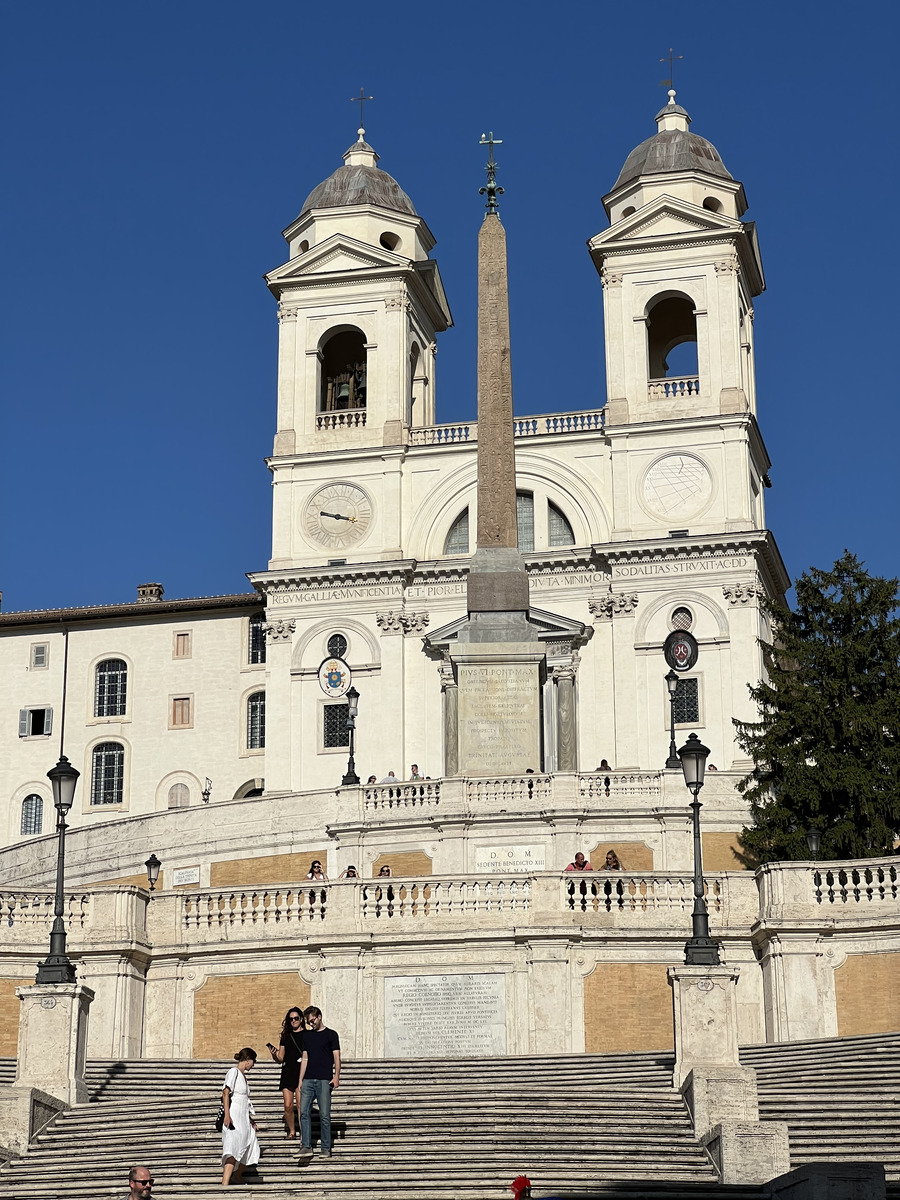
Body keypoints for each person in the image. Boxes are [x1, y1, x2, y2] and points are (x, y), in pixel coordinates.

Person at [298, 1006, 341, 1159]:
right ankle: (306, 1146)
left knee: (324, 1115)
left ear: (319, 1016)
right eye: (309, 1022)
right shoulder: (307, 1036)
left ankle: (325, 1148)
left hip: (324, 1079)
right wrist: (300, 1081)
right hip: (308, 1079)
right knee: (303, 1112)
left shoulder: (331, 1035)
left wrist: (336, 1076)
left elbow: (336, 1057)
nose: (311, 1024)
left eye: (313, 1020)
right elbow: (305, 1058)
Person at [221, 1047, 260, 1186]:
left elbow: (245, 1102)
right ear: (247, 1059)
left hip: (243, 1118)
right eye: (253, 1061)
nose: (253, 1065)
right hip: (234, 1116)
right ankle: (224, 1184)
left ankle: (237, 1176)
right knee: (232, 1148)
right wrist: (227, 1115)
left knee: (251, 1146)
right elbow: (225, 1092)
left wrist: (251, 1121)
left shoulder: (244, 1077)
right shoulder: (233, 1072)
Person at [267, 1008, 305, 1139]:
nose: (294, 1021)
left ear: (301, 1019)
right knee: (288, 1105)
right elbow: (280, 1058)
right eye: (291, 1019)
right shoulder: (286, 1036)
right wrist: (274, 1055)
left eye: (296, 1018)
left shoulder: (307, 1035)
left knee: (301, 1105)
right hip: (288, 1072)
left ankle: (304, 1133)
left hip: (302, 1073)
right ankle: (292, 1131)